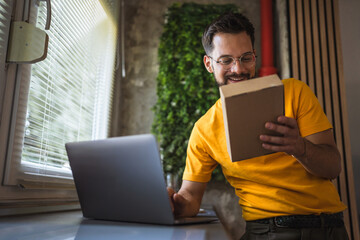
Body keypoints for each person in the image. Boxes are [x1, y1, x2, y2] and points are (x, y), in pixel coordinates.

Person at [167, 12, 349, 239]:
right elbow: (191, 197)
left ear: (255, 56)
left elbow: (333, 168)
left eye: (245, 58)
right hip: (266, 232)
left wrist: (300, 148)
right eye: (226, 60)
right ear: (209, 64)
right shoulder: (204, 129)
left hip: (327, 228)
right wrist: (174, 204)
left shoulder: (294, 92)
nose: (238, 69)